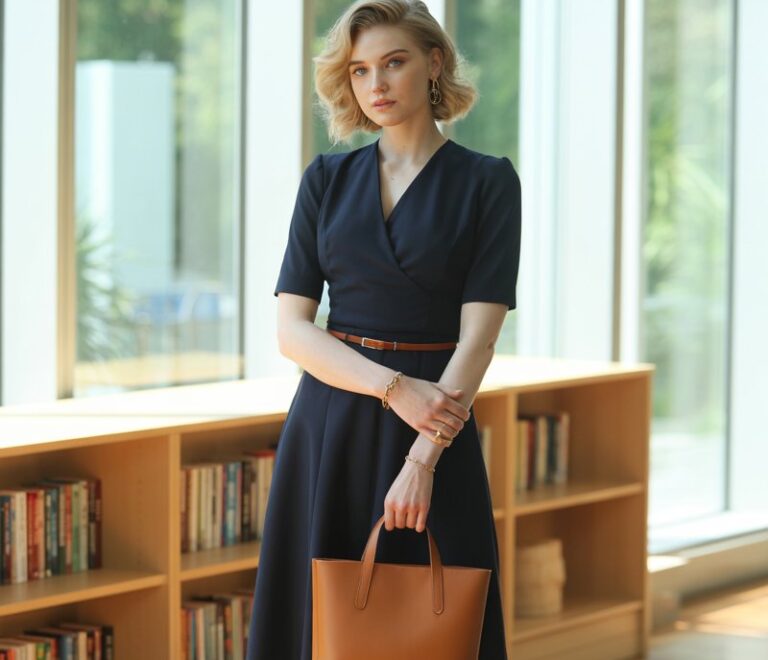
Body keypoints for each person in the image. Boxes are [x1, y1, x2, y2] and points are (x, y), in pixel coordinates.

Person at [246, 1, 521, 658]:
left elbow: (479, 339)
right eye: (362, 69)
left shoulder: (487, 182)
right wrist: (396, 388)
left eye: (394, 62)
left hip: (437, 431)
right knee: (322, 623)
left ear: (432, 63)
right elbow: (292, 331)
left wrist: (423, 457)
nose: (377, 84)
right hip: (331, 425)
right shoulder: (326, 179)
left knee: (434, 622)